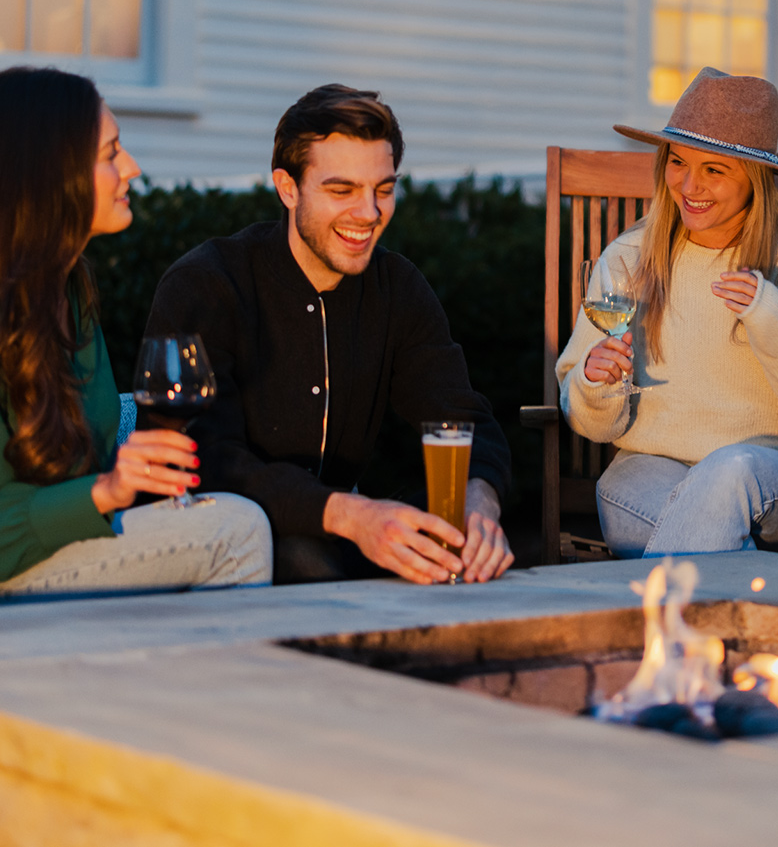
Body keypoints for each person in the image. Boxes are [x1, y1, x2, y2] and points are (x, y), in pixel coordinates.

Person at [0, 68, 272, 614]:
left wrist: (129, 478)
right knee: (236, 530)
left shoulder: (67, 292)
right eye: (111, 153)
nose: (132, 168)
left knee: (220, 514)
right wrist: (108, 489)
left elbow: (71, 482)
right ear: (48, 173)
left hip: (36, 560)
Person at [143, 84, 514, 585]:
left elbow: (462, 419)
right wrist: (354, 516)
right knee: (305, 558)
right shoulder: (208, 284)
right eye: (342, 190)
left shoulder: (397, 287)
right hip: (216, 540)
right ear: (287, 187)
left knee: (446, 553)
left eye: (383, 189)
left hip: (335, 535)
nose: (369, 213)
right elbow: (211, 461)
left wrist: (478, 509)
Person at [554, 67, 778, 558]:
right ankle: (739, 601)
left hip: (773, 478)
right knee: (682, 513)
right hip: (645, 473)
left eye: (714, 169)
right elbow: (594, 424)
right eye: (678, 162)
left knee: (729, 470)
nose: (689, 185)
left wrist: (771, 315)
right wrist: (595, 385)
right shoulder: (628, 258)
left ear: (756, 178)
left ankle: (666, 628)